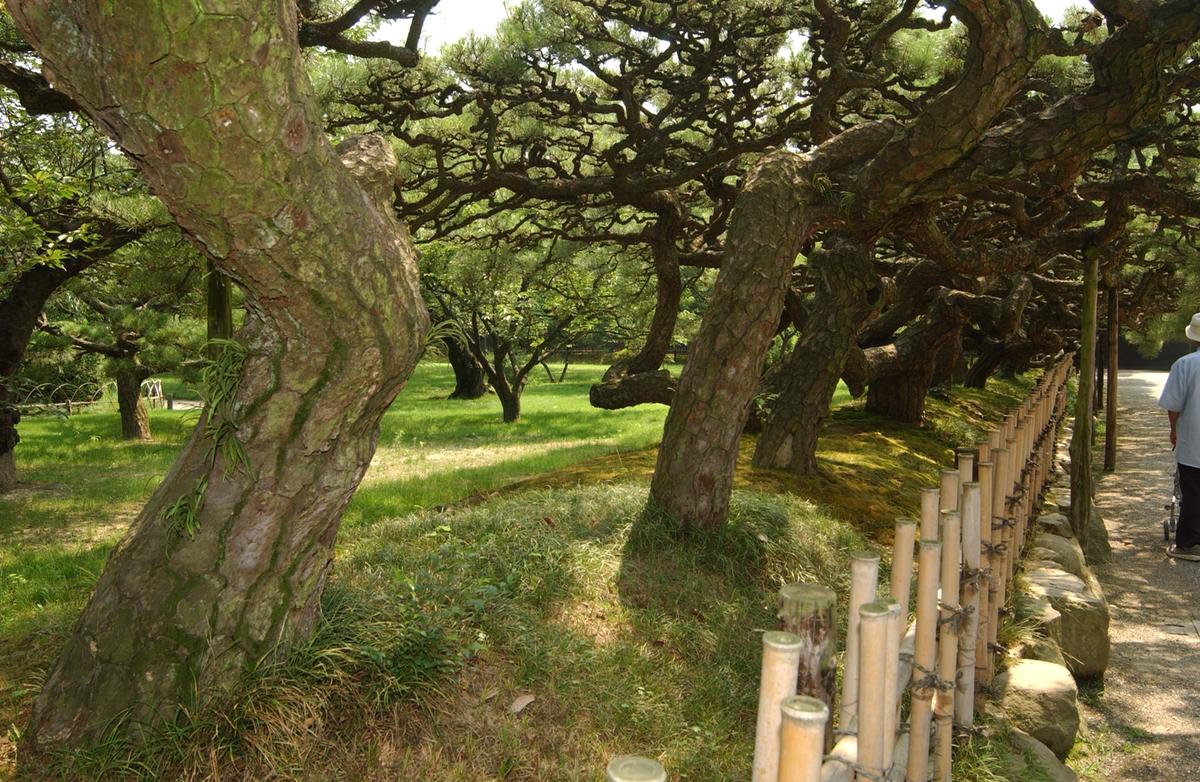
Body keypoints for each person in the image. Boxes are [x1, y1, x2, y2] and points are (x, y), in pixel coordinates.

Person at [1158, 312, 1200, 560]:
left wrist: (1174, 430)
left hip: (1194, 440)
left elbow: (1173, 406)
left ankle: (1189, 543)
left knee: (1193, 491)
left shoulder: (1184, 365)